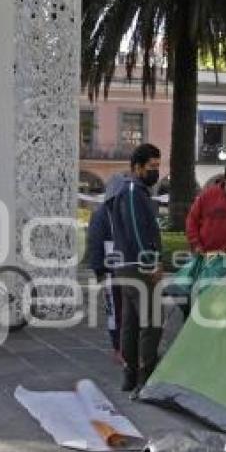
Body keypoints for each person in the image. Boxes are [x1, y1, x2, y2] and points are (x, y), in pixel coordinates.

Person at [111, 143, 163, 395]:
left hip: (126, 266)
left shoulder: (131, 190)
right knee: (152, 322)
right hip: (136, 267)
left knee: (131, 323)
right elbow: (136, 229)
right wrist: (150, 263)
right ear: (137, 167)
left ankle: (130, 375)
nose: (156, 171)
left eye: (158, 166)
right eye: (152, 167)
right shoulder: (133, 191)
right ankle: (145, 377)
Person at [86, 175, 127, 363]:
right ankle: (118, 348)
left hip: (125, 269)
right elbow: (95, 243)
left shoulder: (121, 212)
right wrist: (99, 271)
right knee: (114, 312)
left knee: (124, 312)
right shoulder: (102, 214)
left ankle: (124, 347)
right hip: (111, 271)